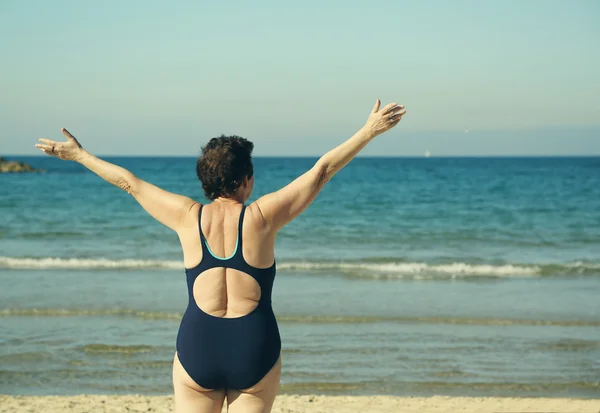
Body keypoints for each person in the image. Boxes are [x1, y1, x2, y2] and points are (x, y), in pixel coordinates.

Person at [35, 99, 406, 413]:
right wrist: (369, 131)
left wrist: (80, 155)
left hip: (199, 345)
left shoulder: (185, 216)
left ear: (205, 182)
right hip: (254, 347)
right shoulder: (262, 216)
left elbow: (129, 183)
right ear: (246, 179)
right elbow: (322, 170)